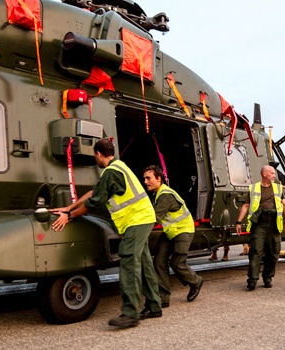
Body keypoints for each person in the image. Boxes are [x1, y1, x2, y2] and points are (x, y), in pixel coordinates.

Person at [52, 138, 162, 328]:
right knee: (143, 261)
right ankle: (154, 306)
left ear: (98, 154)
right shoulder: (118, 167)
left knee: (128, 259)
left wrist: (69, 217)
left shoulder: (111, 172)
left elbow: (94, 203)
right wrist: (70, 207)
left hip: (137, 220)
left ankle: (130, 313)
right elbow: (95, 192)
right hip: (142, 219)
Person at [143, 165, 204, 306]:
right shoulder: (157, 193)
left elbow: (154, 219)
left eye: (148, 178)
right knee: (158, 262)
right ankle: (164, 298)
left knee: (177, 263)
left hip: (183, 230)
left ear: (158, 179)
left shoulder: (165, 195)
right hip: (171, 231)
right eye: (144, 178)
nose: (145, 181)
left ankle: (196, 281)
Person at [235, 165, 285, 291]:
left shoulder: (277, 188)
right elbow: (245, 206)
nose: (274, 175)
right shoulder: (254, 188)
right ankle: (252, 279)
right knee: (255, 251)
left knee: (273, 253)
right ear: (265, 174)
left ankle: (268, 277)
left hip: (274, 224)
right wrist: (238, 222)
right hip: (259, 224)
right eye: (272, 173)